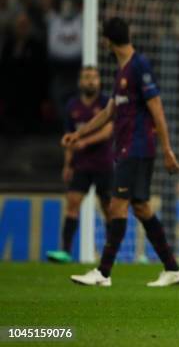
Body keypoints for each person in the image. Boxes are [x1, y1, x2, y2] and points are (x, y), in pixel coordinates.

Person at [63, 17, 179, 287]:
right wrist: (79, 133)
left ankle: (103, 272)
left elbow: (157, 108)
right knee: (141, 208)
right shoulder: (122, 72)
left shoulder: (139, 66)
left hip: (137, 148)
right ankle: (172, 268)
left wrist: (167, 148)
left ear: (107, 41)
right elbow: (109, 112)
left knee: (117, 206)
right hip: (129, 149)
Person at [47, 67, 113, 263]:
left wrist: (84, 141)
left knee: (108, 209)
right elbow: (68, 137)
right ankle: (65, 251)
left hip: (103, 163)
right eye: (86, 77)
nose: (90, 81)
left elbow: (107, 131)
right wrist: (67, 164)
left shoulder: (105, 103)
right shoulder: (72, 106)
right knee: (72, 204)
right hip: (81, 164)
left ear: (99, 81)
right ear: (80, 82)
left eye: (94, 77)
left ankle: (111, 253)